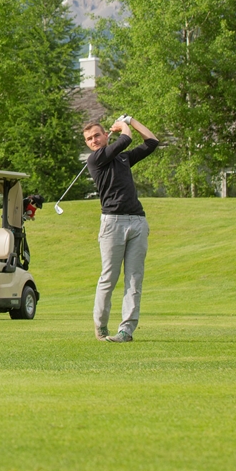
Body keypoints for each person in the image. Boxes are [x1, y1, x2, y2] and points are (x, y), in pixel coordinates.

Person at [82, 116, 159, 343]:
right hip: (112, 223)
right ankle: (101, 326)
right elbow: (125, 139)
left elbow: (152, 142)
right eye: (89, 138)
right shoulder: (95, 160)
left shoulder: (123, 159)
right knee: (109, 277)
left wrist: (132, 121)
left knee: (134, 279)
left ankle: (126, 330)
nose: (93, 140)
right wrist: (123, 126)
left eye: (97, 135)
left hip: (137, 221)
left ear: (106, 135)